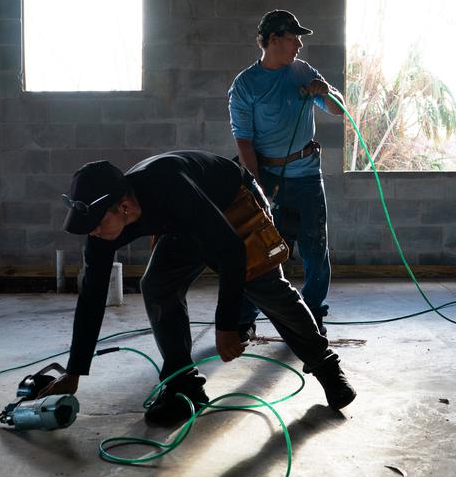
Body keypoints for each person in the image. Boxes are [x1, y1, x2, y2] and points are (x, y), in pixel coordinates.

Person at [39, 150, 356, 426]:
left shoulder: (169, 187)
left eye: (96, 224)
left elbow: (231, 250)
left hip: (231, 200)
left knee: (264, 286)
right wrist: (74, 371)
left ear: (123, 207)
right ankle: (184, 387)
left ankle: (328, 370)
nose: (92, 233)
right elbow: (92, 297)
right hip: (183, 222)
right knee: (157, 285)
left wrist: (226, 326)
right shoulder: (102, 232)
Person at [228, 9, 346, 340]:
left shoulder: (302, 71)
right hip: (270, 179)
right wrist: (257, 188)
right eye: (293, 39)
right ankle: (243, 320)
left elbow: (338, 110)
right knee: (262, 254)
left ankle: (311, 319)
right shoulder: (246, 85)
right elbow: (244, 141)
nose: (299, 45)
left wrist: (323, 91)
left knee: (315, 250)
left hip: (307, 177)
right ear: (274, 40)